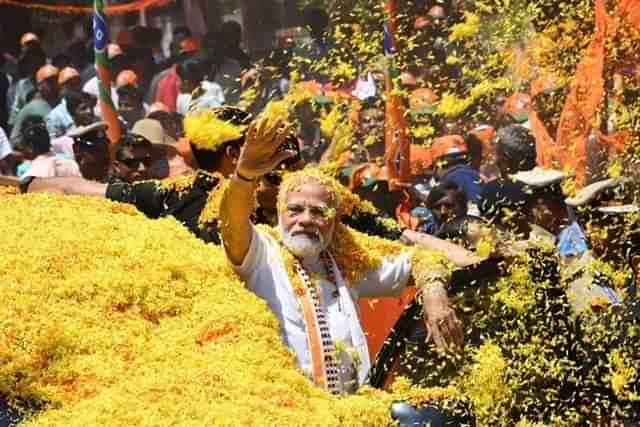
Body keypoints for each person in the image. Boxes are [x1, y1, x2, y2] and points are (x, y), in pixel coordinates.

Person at [219, 114, 462, 395]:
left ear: (334, 222)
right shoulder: (261, 252)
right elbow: (231, 222)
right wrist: (244, 176)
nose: (306, 219)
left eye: (319, 212)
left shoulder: (345, 263)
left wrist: (433, 291)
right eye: (295, 210)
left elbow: (421, 258)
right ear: (280, 213)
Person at [15, 115, 80, 179]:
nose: (22, 149)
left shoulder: (28, 176)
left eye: (24, 146)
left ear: (30, 148)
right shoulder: (71, 164)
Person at [10, 65, 60, 140]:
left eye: (56, 80)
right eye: (49, 81)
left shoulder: (62, 104)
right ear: (39, 85)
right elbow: (14, 138)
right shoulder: (31, 108)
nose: (54, 84)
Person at [46, 67, 82, 138]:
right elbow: (55, 143)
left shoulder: (90, 103)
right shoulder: (55, 115)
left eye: (77, 83)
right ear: (62, 88)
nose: (76, 88)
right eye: (71, 85)